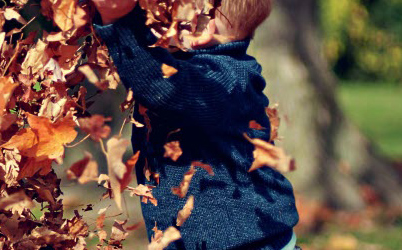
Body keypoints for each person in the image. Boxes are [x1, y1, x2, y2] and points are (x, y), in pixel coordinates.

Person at [90, 0, 299, 249]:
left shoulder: (224, 80)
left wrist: (118, 20)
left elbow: (163, 87)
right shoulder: (215, 72)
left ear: (201, 26)